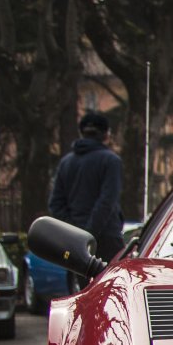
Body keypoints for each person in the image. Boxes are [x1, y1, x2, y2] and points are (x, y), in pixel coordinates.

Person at [48, 110, 125, 272]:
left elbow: (56, 204)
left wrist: (75, 231)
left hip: (76, 243)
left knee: (84, 291)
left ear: (81, 133)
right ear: (106, 134)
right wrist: (90, 232)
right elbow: (107, 201)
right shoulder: (111, 161)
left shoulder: (66, 163)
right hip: (107, 237)